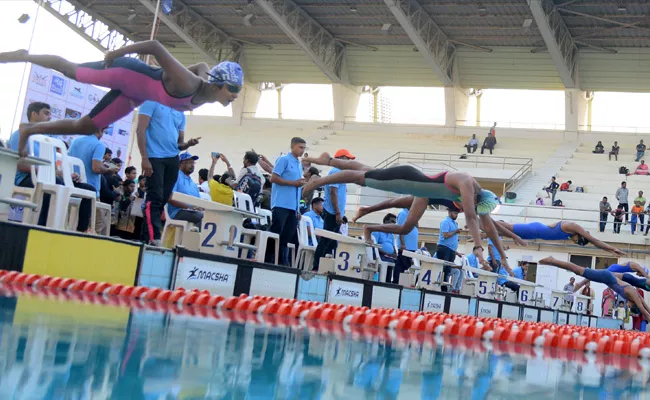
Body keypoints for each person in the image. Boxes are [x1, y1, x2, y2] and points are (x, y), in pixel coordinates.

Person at [0, 41, 243, 155]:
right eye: (233, 90)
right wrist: (118, 52)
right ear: (219, 84)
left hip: (134, 96)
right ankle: (24, 55)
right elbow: (156, 46)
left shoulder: (206, 89)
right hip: (126, 73)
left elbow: (202, 64)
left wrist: (174, 74)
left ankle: (29, 130)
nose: (234, 96)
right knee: (71, 70)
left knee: (85, 127)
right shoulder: (188, 83)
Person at [301, 152, 510, 269]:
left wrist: (503, 259)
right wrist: (480, 252)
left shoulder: (475, 198)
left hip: (418, 191)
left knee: (366, 171)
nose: (467, 209)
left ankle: (327, 159)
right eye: (471, 205)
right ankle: (319, 180)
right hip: (408, 178)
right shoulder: (466, 182)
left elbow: (489, 227)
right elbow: (473, 219)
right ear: (475, 197)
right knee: (361, 177)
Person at [136, 100, 200, 245]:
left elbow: (180, 143)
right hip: (154, 156)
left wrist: (189, 144)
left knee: (163, 198)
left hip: (172, 159)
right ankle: (154, 237)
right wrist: (144, 158)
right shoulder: (151, 102)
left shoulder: (181, 113)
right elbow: (140, 130)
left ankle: (148, 237)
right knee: (155, 197)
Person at [539, 256, 650, 322]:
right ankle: (552, 261)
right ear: (633, 304)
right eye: (630, 307)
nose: (628, 306)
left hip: (608, 277)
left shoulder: (635, 295)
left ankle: (578, 282)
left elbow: (645, 306)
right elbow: (644, 310)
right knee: (578, 270)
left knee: (580, 271)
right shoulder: (634, 295)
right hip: (607, 277)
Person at [266, 137, 306, 266]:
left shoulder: (298, 164)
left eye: (304, 148)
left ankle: (281, 260)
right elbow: (273, 178)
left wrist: (297, 208)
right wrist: (293, 183)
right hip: (281, 203)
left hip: (292, 206)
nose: (302, 150)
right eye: (300, 147)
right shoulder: (284, 160)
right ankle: (268, 258)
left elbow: (298, 187)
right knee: (277, 232)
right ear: (293, 146)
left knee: (288, 235)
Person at [312, 149, 354, 270]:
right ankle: (317, 266)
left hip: (335, 212)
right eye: (347, 159)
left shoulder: (340, 172)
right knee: (326, 240)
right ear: (340, 158)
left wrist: (341, 213)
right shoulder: (336, 171)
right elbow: (333, 193)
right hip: (332, 212)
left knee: (331, 242)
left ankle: (324, 266)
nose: (349, 162)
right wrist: (338, 212)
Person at [494, 220, 625, 256]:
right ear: (580, 236)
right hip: (535, 230)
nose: (574, 241)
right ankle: (484, 218)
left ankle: (483, 229)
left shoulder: (570, 233)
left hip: (535, 235)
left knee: (501, 232)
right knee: (506, 227)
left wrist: (609, 251)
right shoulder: (573, 226)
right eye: (577, 241)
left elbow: (594, 243)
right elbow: (595, 241)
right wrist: (612, 248)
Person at [166, 153, 203, 225]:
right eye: (189, 162)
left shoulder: (193, 183)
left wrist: (201, 208)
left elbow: (198, 202)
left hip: (192, 211)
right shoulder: (175, 176)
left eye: (193, 163)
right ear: (181, 164)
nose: (192, 165)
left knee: (211, 217)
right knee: (202, 217)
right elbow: (169, 198)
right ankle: (194, 236)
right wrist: (190, 207)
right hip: (177, 212)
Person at [436, 207, 464, 291]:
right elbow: (445, 235)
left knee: (448, 270)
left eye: (457, 214)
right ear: (450, 212)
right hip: (444, 248)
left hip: (450, 250)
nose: (456, 215)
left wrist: (456, 252)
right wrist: (455, 231)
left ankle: (444, 287)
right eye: (455, 213)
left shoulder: (454, 223)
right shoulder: (446, 222)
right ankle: (441, 287)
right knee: (443, 269)